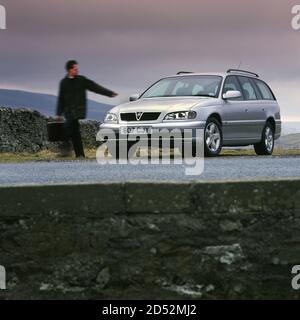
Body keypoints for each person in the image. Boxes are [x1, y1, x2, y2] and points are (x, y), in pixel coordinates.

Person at [56, 60, 118, 158]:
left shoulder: (81, 80)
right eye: (75, 68)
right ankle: (79, 154)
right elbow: (61, 99)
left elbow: (94, 87)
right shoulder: (64, 83)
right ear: (70, 69)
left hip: (77, 111)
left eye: (77, 68)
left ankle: (67, 150)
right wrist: (58, 113)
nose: (77, 70)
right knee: (74, 133)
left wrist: (109, 93)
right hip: (68, 112)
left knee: (69, 130)